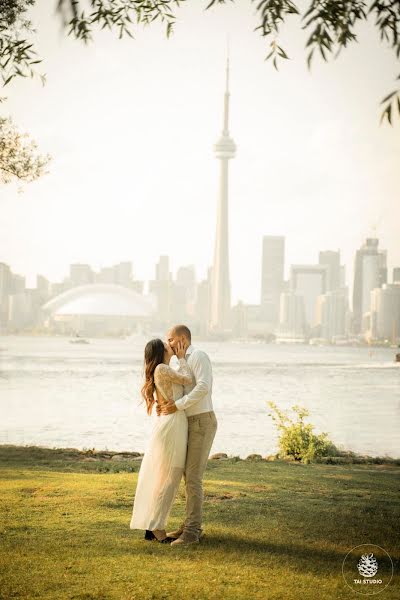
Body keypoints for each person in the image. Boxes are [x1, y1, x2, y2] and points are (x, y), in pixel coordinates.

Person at [157, 324, 218, 546]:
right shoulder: (181, 362)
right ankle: (189, 525)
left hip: (202, 420)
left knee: (193, 478)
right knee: (186, 476)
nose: (169, 344)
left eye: (171, 340)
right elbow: (176, 389)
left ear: (182, 338)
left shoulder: (199, 356)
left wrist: (178, 405)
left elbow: (204, 387)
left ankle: (192, 533)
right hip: (190, 422)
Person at [130, 337, 193, 543]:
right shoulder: (162, 369)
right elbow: (188, 379)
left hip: (171, 422)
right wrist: (183, 358)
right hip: (172, 424)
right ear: (160, 351)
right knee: (170, 477)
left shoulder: (163, 369)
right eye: (166, 345)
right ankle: (157, 528)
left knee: (166, 477)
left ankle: (153, 525)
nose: (171, 345)